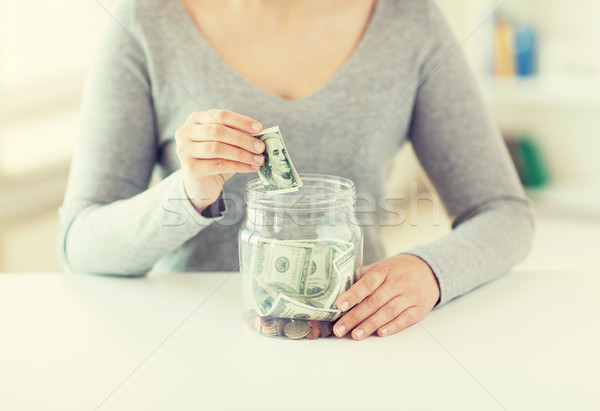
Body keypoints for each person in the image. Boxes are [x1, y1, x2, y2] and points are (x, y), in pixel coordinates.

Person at [58, 0, 534, 340]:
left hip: (354, 336)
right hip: (189, 346)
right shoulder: (145, 19)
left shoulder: (411, 19)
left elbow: (505, 213)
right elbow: (79, 244)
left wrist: (431, 273)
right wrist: (189, 193)